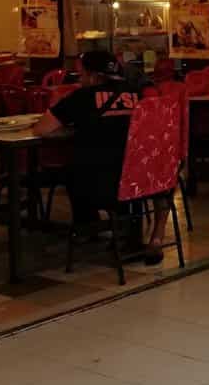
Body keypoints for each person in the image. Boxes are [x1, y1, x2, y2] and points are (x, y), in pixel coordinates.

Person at [32, 51, 150, 258]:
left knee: (70, 172)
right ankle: (123, 231)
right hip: (136, 180)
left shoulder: (82, 97)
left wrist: (72, 128)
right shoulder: (136, 93)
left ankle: (87, 226)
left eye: (81, 74)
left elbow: (41, 129)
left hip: (95, 185)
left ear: (93, 76)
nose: (80, 79)